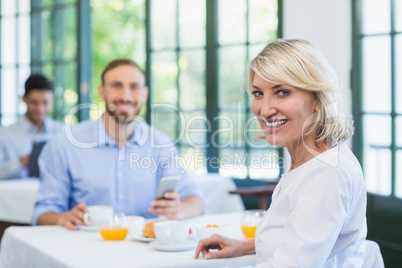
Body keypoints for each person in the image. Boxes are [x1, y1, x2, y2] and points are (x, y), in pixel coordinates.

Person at [195, 39, 367, 267]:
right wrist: (244, 246)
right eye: (258, 93)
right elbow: (301, 238)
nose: (265, 109)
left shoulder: (327, 172)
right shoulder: (309, 160)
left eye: (282, 92)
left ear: (317, 99)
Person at [32, 59, 204, 230]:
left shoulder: (161, 144)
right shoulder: (64, 145)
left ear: (144, 94)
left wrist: (178, 210)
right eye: (116, 85)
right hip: (85, 251)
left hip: (147, 252)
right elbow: (42, 213)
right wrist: (62, 218)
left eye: (134, 87)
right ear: (102, 92)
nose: (126, 96)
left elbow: (196, 201)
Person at [0, 74, 64, 180]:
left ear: (52, 99)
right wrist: (21, 162)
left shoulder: (62, 132)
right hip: (16, 195)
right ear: (24, 99)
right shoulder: (4, 134)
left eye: (45, 102)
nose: (40, 109)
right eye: (34, 103)